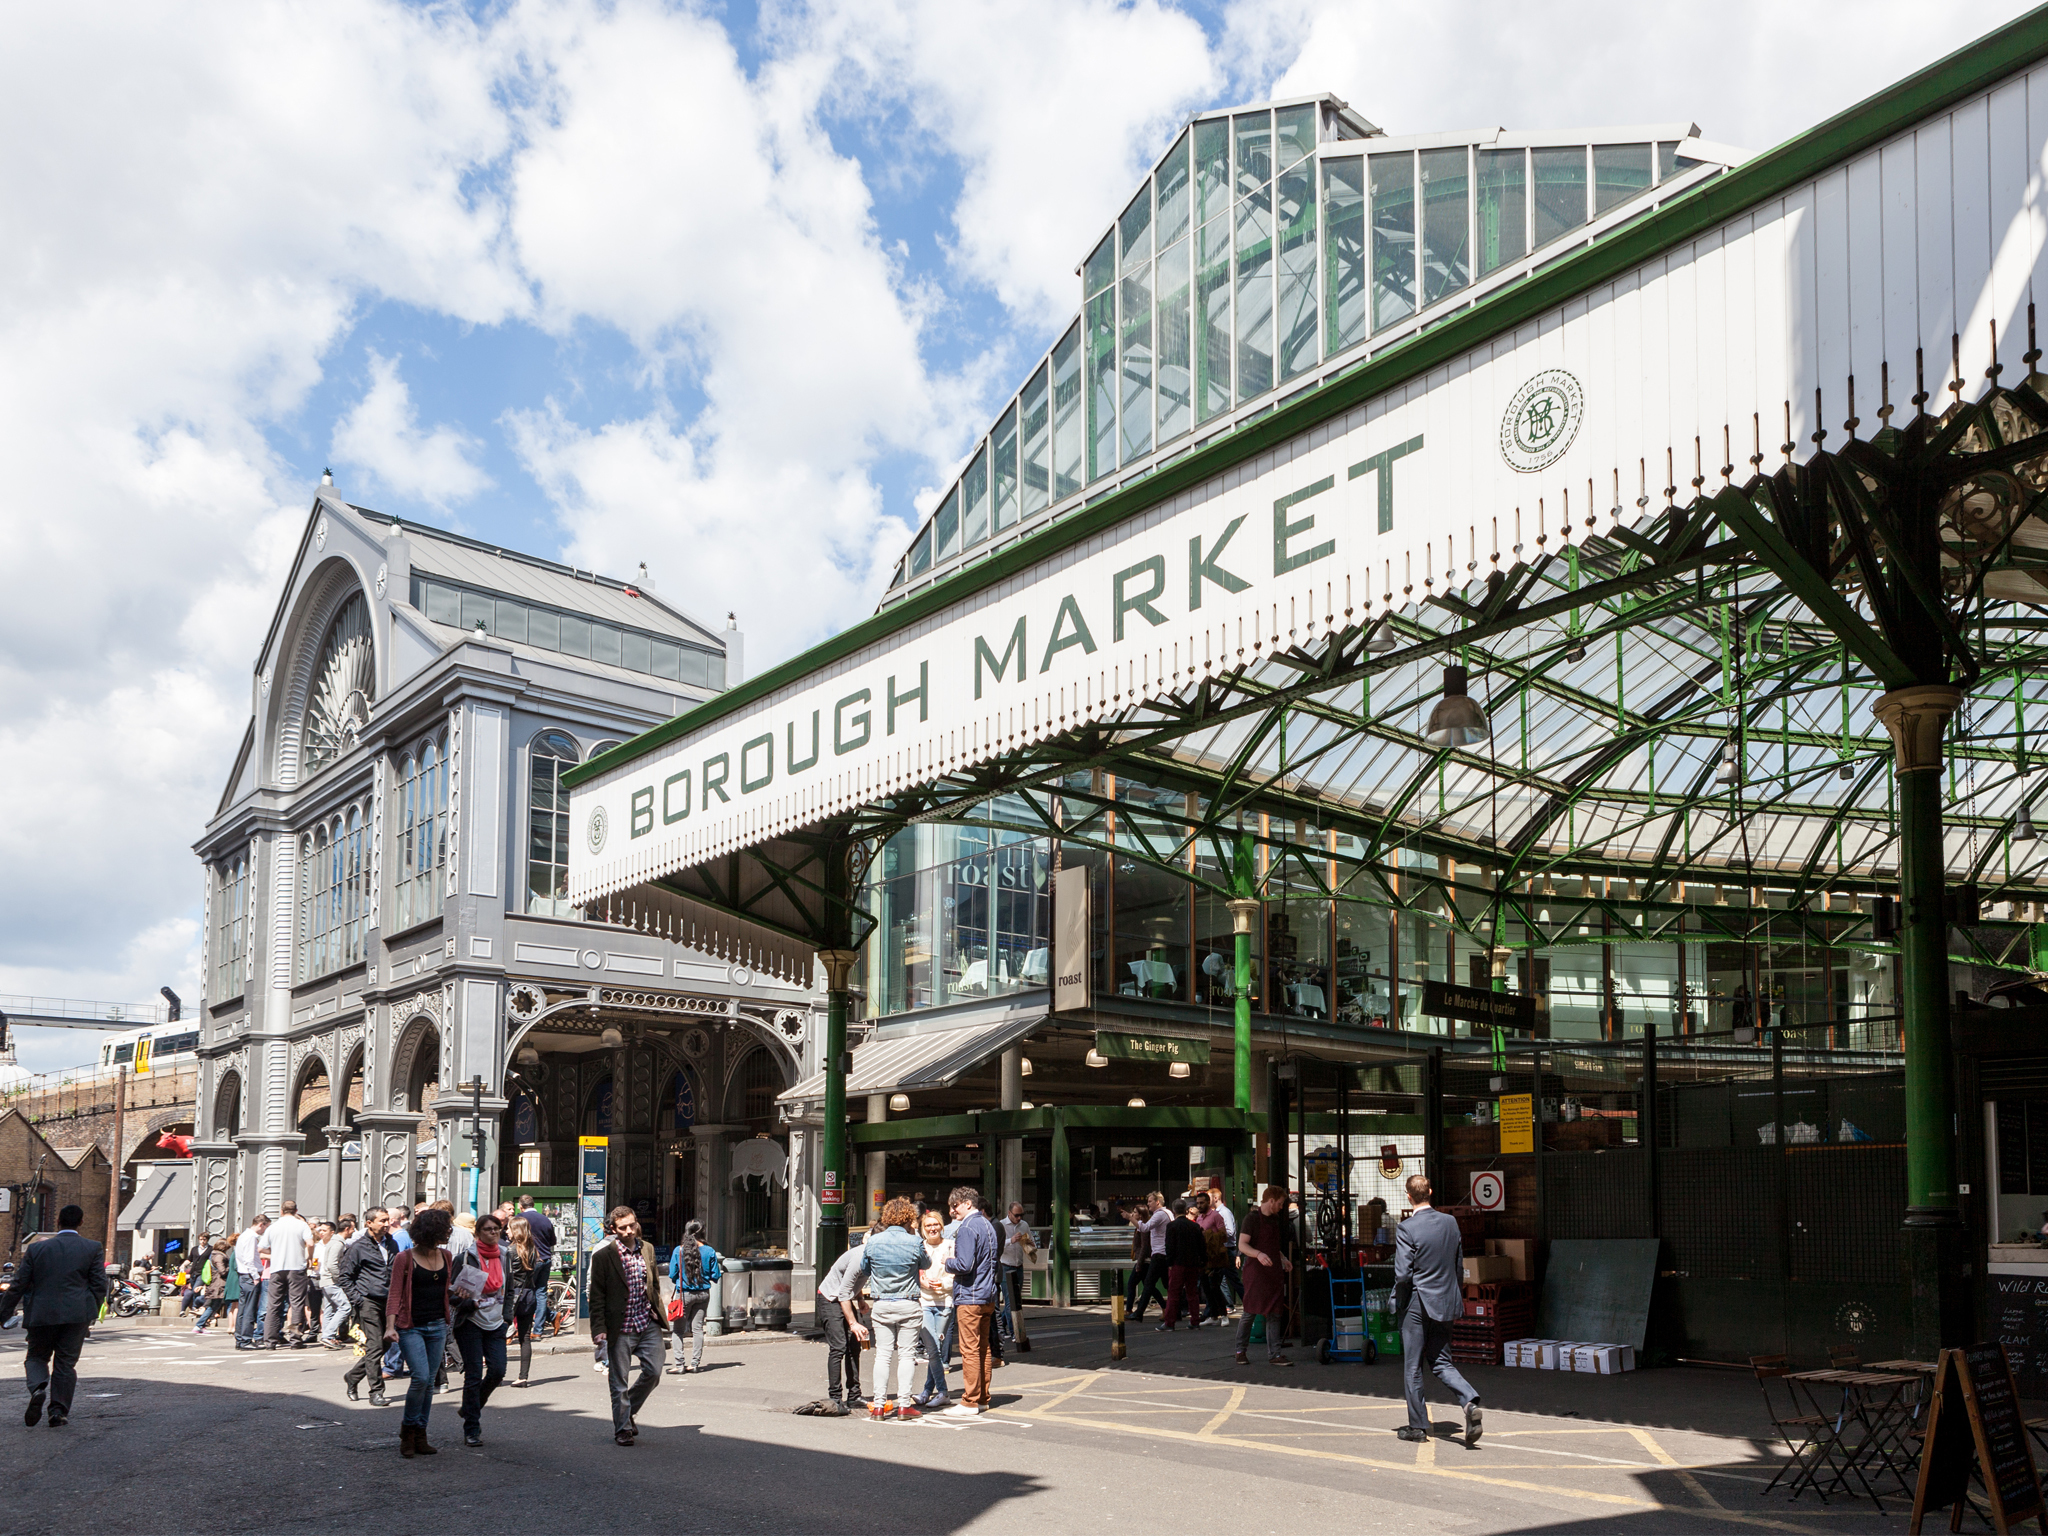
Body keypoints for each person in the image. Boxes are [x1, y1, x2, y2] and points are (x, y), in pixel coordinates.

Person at [1394, 1174, 1481, 1447]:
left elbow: (1403, 1275)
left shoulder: (1406, 1228)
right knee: (1441, 1361)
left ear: (1409, 1197)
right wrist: (1454, 1295)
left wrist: (1399, 1304)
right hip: (1446, 1300)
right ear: (1430, 1192)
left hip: (1418, 1302)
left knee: (1413, 1367)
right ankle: (1468, 1401)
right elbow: (1458, 1264)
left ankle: (1418, 1426)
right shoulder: (1450, 1223)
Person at [0, 1205, 107, 1428]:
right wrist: (92, 1314)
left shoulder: (36, 1250)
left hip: (41, 1313)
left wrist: (4, 1312)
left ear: (57, 1222)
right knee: (66, 1364)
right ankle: (58, 1411)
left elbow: (19, 1284)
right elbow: (99, 1285)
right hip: (76, 1314)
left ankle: (38, 1387)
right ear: (81, 1222)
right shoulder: (92, 1247)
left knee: (37, 1356)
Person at [589, 1205, 666, 1446]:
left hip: (646, 1321)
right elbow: (597, 1295)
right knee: (618, 1380)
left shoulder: (648, 1249)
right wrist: (598, 1327)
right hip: (619, 1326)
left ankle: (628, 1408)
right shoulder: (603, 1256)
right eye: (623, 1227)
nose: (630, 1230)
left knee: (653, 1372)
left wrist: (657, 1310)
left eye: (632, 1225)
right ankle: (622, 1428)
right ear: (613, 1229)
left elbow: (653, 1284)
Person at [385, 1205, 455, 1457]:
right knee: (421, 1378)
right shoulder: (405, 1258)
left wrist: (463, 1292)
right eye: (445, 1227)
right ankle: (408, 1431)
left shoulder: (446, 1256)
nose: (449, 1231)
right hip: (411, 1326)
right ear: (431, 1230)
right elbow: (394, 1293)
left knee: (428, 1384)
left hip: (438, 1324)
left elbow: (447, 1290)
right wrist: (390, 1326)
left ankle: (420, 1433)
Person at [857, 1197, 929, 1421]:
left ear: (886, 1217)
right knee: (907, 1355)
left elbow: (864, 1268)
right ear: (909, 1218)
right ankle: (904, 1405)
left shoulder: (874, 1241)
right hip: (908, 1302)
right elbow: (926, 1264)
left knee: (883, 1356)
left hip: (882, 1303)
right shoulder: (913, 1241)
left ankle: (879, 1406)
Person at [450, 1212, 510, 1447]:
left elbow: (511, 1289)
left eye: (496, 1229)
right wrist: (468, 1302)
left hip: (496, 1323)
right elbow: (451, 1294)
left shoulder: (505, 1255)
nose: (493, 1233)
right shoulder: (465, 1258)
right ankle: (472, 1429)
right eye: (488, 1229)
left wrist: (507, 1317)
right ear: (478, 1233)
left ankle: (468, 1407)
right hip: (471, 1322)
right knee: (474, 1375)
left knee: (498, 1370)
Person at [943, 1185, 999, 1418]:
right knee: (983, 1348)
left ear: (967, 1203)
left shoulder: (967, 1227)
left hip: (970, 1295)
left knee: (969, 1349)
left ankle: (969, 1401)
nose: (952, 1211)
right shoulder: (988, 1225)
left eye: (955, 1206)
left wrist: (947, 1262)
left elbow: (964, 1264)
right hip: (987, 1295)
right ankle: (983, 1398)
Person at [338, 1207, 397, 1406]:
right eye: (382, 1220)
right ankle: (376, 1392)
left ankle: (353, 1376)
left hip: (389, 1302)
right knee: (375, 1345)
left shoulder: (392, 1243)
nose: (386, 1224)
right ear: (369, 1223)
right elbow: (345, 1277)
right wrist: (358, 1300)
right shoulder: (358, 1247)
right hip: (368, 1302)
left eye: (387, 1220)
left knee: (386, 1342)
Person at [1235, 1185, 1295, 1367]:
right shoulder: (1251, 1219)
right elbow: (1242, 1245)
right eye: (1280, 1203)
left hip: (1273, 1272)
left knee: (1275, 1313)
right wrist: (1259, 1254)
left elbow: (1274, 1246)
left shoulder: (1275, 1220)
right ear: (1270, 1201)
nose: (1281, 1206)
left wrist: (1283, 1258)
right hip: (1256, 1273)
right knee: (1250, 1312)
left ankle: (1275, 1354)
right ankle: (1240, 1351)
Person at [814, 1228, 871, 1414]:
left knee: (854, 1346)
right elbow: (844, 1292)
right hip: (830, 1298)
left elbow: (854, 1282)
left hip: (843, 1297)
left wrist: (860, 1299)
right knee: (839, 1346)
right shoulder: (859, 1257)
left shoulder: (872, 1256)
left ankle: (854, 1395)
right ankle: (835, 1397)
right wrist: (853, 1323)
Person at [665, 1219, 720, 1376]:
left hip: (684, 1294)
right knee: (697, 1330)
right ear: (702, 1232)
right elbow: (715, 1275)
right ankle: (694, 1364)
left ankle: (679, 1364)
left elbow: (672, 1274)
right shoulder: (709, 1251)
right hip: (703, 1294)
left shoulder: (679, 1250)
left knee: (677, 1331)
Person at [914, 1207, 955, 1408]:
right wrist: (923, 1283)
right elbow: (913, 1272)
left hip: (945, 1302)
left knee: (935, 1349)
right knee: (933, 1347)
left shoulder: (950, 1246)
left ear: (942, 1226)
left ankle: (927, 1391)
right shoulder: (919, 1247)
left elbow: (956, 1274)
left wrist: (943, 1284)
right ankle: (943, 1392)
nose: (932, 1228)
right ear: (923, 1229)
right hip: (925, 1301)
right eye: (928, 1225)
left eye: (935, 1224)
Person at [263, 1200, 315, 1349]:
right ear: (296, 1211)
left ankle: (270, 1342)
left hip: (277, 1268)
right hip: (296, 1266)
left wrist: (276, 1253)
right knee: (297, 1303)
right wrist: (309, 1258)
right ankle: (295, 1340)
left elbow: (261, 1248)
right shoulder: (301, 1225)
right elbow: (310, 1243)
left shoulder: (273, 1227)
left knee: (273, 1305)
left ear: (281, 1211)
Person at [505, 1215, 548, 1387]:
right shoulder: (532, 1250)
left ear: (515, 1231)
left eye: (508, 1228)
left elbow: (506, 1276)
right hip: (529, 1295)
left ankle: (498, 1373)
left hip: (513, 1295)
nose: (506, 1231)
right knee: (525, 1337)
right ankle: (523, 1376)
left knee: (500, 1335)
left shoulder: (510, 1251)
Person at [1157, 1198, 1207, 1331]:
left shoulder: (1171, 1226)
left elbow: (1169, 1246)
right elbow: (1202, 1246)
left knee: (1174, 1293)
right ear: (1186, 1210)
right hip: (1192, 1263)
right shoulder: (1195, 1226)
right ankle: (1195, 1321)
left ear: (1174, 1210)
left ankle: (1169, 1323)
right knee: (1192, 1293)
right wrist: (1203, 1261)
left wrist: (1169, 1263)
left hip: (1177, 1263)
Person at [1124, 1192, 1169, 1320]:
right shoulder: (1162, 1215)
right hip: (1156, 1256)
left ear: (1157, 1202)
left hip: (1152, 1258)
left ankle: (1135, 1312)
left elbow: (1144, 1242)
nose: (1148, 1203)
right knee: (1151, 1285)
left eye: (1150, 1201)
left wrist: (1129, 1218)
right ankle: (1167, 1308)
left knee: (1140, 1284)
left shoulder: (1156, 1217)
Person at [232, 1214, 269, 1350]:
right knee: (249, 1309)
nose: (265, 1230)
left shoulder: (243, 1236)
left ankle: (240, 1338)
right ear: (261, 1224)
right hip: (249, 1275)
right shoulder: (251, 1237)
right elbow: (249, 1259)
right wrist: (255, 1276)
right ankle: (246, 1340)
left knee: (243, 1308)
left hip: (243, 1274)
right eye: (265, 1227)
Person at [997, 1202, 1033, 1346]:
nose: (1019, 1218)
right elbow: (996, 1244)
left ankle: (1002, 1324)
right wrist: (1010, 1241)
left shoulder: (1024, 1225)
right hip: (1005, 1265)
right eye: (1016, 1215)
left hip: (1019, 1265)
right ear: (1009, 1213)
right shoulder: (1001, 1225)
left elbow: (1030, 1242)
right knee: (1010, 1300)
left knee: (1017, 1298)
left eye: (1021, 1215)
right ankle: (1014, 1332)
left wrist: (1030, 1245)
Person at [1194, 1191, 1230, 1321]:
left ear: (1208, 1203)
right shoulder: (1199, 1218)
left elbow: (1224, 1235)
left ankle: (1224, 1315)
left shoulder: (1216, 1216)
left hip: (1215, 1257)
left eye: (1202, 1203)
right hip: (1203, 1257)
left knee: (1214, 1287)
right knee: (1206, 1287)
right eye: (1197, 1203)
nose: (1199, 1205)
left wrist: (1207, 1234)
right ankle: (1213, 1315)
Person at [192, 1240, 232, 1332]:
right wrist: (231, 1267)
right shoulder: (219, 1256)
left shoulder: (214, 1255)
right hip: (219, 1284)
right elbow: (222, 1271)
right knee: (222, 1304)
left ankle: (200, 1325)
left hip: (216, 1284)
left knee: (213, 1306)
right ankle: (200, 1325)